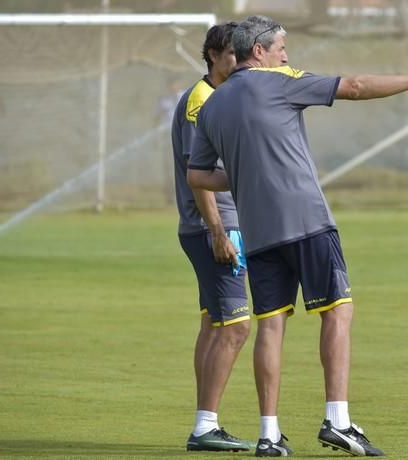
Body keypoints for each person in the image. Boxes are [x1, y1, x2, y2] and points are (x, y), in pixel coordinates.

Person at [187, 15, 408, 457]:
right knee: (338, 312)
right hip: (306, 219)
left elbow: (197, 174)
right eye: (280, 46)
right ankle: (338, 420)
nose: (286, 53)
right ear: (258, 51)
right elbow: (353, 87)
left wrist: (245, 175)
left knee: (271, 326)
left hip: (258, 232)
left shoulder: (213, 105)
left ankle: (269, 434)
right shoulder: (278, 81)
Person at [171, 22, 252, 452]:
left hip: (215, 226)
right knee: (237, 327)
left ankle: (205, 421)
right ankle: (205, 427)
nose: (239, 62)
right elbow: (197, 174)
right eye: (232, 55)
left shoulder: (218, 96)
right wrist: (219, 231)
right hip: (215, 228)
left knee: (214, 323)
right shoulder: (201, 101)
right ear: (213, 56)